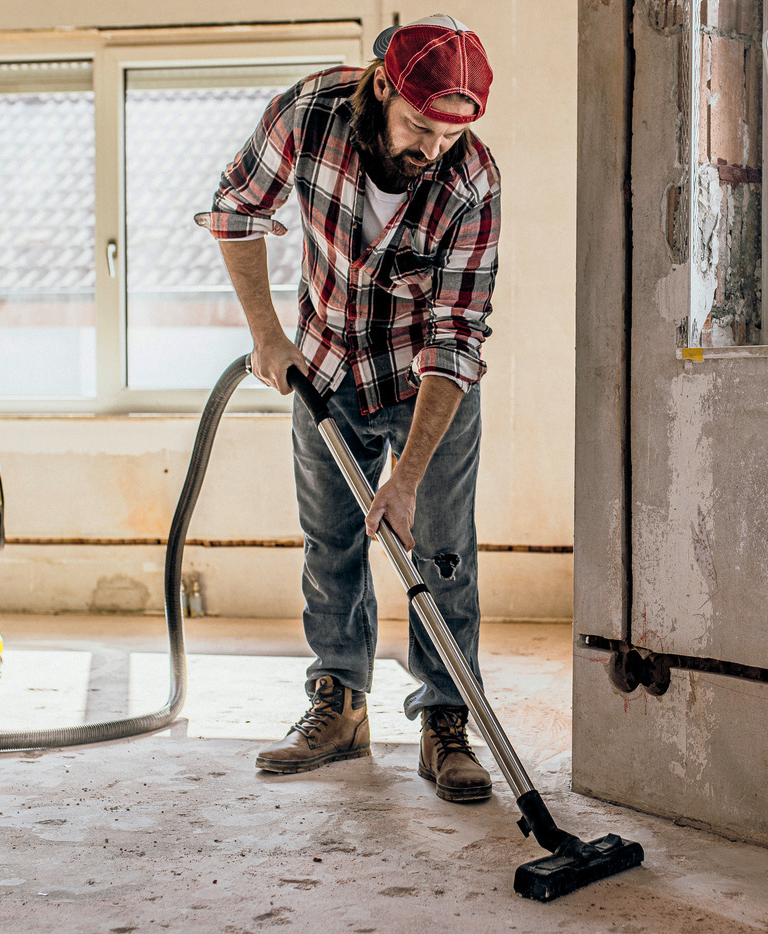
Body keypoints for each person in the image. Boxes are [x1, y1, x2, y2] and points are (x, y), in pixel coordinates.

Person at [196, 14, 500, 803]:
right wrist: (267, 336)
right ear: (382, 88)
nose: (433, 149)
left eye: (450, 135)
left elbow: (457, 334)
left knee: (440, 554)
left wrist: (407, 478)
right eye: (419, 128)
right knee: (330, 544)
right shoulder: (308, 115)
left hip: (428, 385)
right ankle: (339, 706)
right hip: (326, 366)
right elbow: (236, 209)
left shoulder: (471, 181)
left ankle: (444, 720)